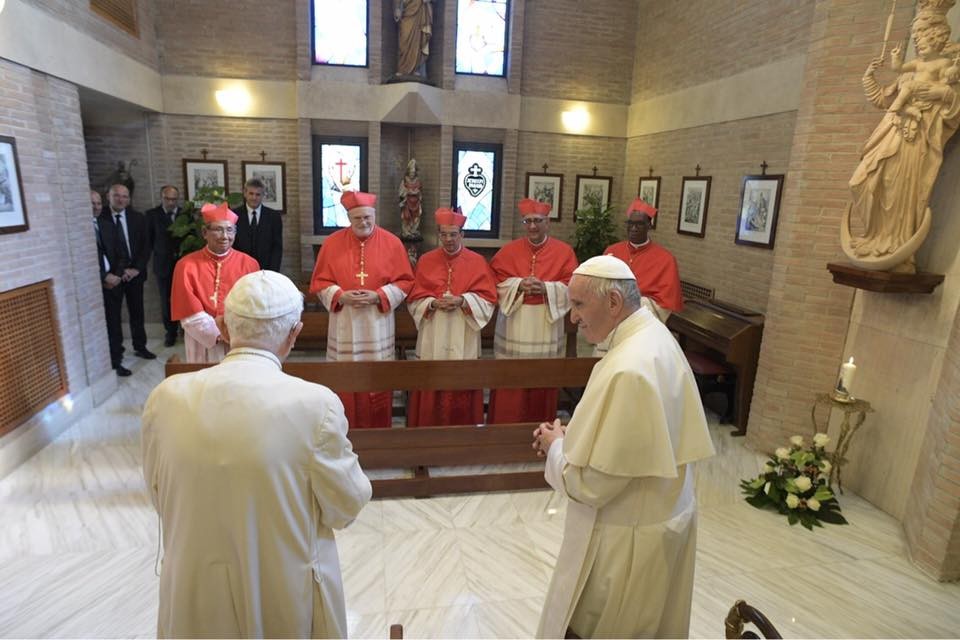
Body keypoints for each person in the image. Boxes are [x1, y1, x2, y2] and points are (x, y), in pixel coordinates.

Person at [142, 270, 372, 638]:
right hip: (282, 587)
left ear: (224, 327)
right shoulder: (315, 404)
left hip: (193, 584)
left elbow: (159, 494)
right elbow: (345, 506)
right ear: (294, 333)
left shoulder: (165, 397)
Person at [532, 255, 715, 639]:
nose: (573, 318)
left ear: (614, 302)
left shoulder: (629, 367)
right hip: (655, 524)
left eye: (579, 305)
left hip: (626, 544)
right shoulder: (652, 336)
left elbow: (593, 484)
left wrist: (554, 447)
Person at [847, 4, 960, 271]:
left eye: (922, 32)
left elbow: (954, 109)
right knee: (861, 181)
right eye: (917, 33)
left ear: (936, 34)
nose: (918, 39)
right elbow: (882, 100)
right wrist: (868, 77)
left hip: (916, 138)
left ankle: (896, 244)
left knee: (900, 189)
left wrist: (941, 95)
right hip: (891, 130)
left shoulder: (949, 68)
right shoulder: (909, 71)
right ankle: (874, 236)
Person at [309, 191, 415, 428]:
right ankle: (343, 428)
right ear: (348, 218)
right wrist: (340, 295)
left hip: (377, 322)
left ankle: (377, 429)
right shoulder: (332, 243)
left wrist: (379, 295)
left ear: (374, 215)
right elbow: (320, 283)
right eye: (357, 219)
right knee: (345, 377)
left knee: (375, 378)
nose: (364, 223)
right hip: (344, 322)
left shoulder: (392, 243)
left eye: (368, 217)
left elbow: (406, 281)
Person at [488, 198, 578, 424]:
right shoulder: (508, 251)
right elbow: (493, 283)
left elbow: (574, 286)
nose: (532, 226)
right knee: (511, 377)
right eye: (527, 221)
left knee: (542, 377)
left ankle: (542, 427)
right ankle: (505, 425)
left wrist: (546, 287)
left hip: (545, 324)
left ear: (548, 222)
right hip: (515, 322)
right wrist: (518, 285)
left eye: (538, 221)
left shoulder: (564, 252)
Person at [406, 207, 497, 427]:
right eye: (444, 234)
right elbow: (413, 298)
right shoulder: (426, 260)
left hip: (463, 329)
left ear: (462, 234)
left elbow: (488, 298)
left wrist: (463, 301)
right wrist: (432, 303)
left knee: (462, 377)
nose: (448, 239)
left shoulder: (477, 262)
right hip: (433, 329)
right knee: (431, 376)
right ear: (438, 235)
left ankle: (463, 430)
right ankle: (428, 426)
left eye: (453, 234)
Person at [170, 202, 259, 363]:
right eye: (218, 229)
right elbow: (188, 311)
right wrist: (218, 334)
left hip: (239, 341)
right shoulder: (186, 265)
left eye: (230, 229)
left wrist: (237, 334)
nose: (225, 236)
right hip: (201, 341)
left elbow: (254, 305)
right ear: (205, 232)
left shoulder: (250, 264)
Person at [96, 183, 154, 376]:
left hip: (134, 274)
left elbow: (145, 246)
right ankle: (116, 357)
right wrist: (116, 274)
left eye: (124, 196)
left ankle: (140, 346)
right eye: (116, 196)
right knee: (113, 317)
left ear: (129, 199)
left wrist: (136, 268)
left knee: (137, 311)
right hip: (111, 278)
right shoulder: (100, 218)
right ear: (109, 197)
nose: (121, 199)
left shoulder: (138, 218)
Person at [603, 197, 683, 322]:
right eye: (630, 223)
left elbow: (665, 303)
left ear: (649, 226)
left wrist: (626, 306)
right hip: (609, 319)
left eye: (639, 224)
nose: (633, 228)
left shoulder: (665, 259)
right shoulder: (612, 251)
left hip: (642, 323)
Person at [145, 185, 183, 347]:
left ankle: (186, 330)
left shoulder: (185, 214)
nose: (171, 202)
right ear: (161, 197)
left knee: (185, 299)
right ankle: (171, 332)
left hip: (182, 265)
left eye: (174, 199)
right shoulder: (151, 215)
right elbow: (148, 242)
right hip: (163, 266)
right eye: (167, 198)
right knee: (166, 300)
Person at [232, 177, 283, 272]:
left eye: (258, 194)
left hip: (266, 270)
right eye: (251, 193)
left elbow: (277, 247)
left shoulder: (274, 217)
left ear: (263, 195)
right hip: (240, 268)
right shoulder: (234, 215)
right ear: (245, 193)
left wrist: (273, 272)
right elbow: (232, 245)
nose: (254, 198)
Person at [394, 0, 433, 77]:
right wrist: (397, 8)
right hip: (406, 11)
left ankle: (415, 68)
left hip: (418, 11)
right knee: (404, 40)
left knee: (416, 40)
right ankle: (403, 68)